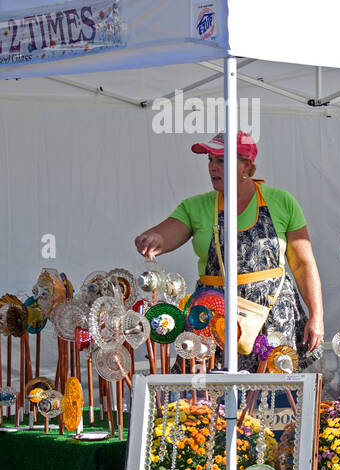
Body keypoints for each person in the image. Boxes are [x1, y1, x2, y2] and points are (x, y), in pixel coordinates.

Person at [133, 131, 325, 370]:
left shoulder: (282, 201)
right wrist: (152, 239)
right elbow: (165, 234)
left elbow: (302, 263)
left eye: (221, 161)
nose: (212, 167)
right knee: (208, 398)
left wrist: (316, 315)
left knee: (274, 398)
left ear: (247, 166)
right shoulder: (196, 206)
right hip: (214, 318)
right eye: (210, 161)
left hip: (273, 317)